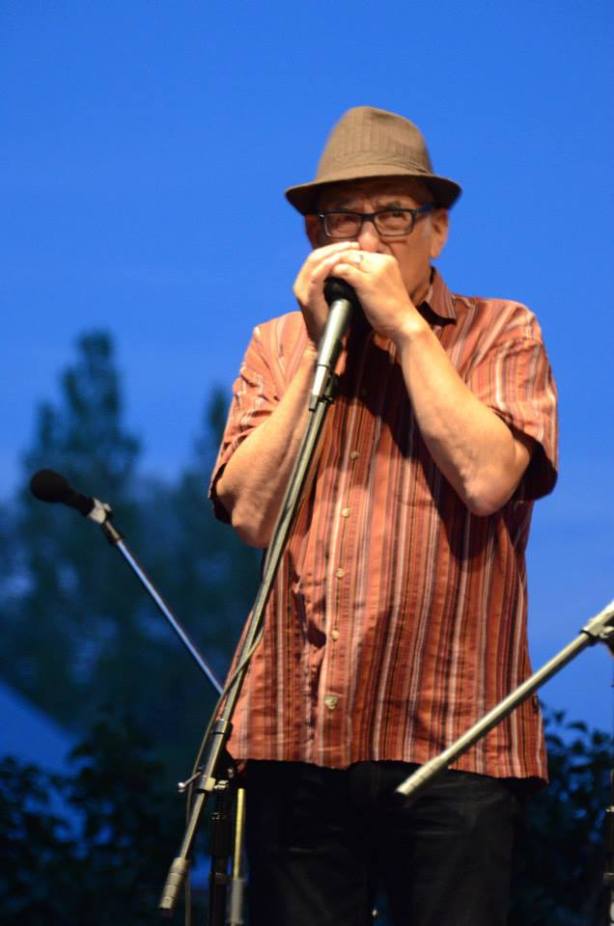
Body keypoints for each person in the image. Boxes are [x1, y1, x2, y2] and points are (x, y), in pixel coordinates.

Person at [209, 106, 558, 926]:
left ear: (436, 231)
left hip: (456, 736)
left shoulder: (504, 330)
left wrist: (402, 327)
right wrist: (315, 356)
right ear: (312, 234)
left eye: (394, 215)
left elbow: (487, 479)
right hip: (296, 734)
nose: (367, 239)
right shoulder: (274, 344)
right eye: (344, 218)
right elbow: (251, 513)